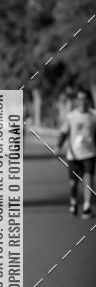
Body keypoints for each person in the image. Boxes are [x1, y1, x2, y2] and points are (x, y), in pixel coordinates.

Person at [57, 87, 96, 218]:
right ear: (77, 101)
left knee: (88, 179)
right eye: (80, 99)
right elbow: (63, 132)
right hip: (73, 155)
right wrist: (58, 146)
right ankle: (73, 201)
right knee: (73, 184)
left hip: (89, 153)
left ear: (88, 100)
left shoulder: (94, 116)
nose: (82, 102)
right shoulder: (71, 116)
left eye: (85, 99)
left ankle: (86, 206)